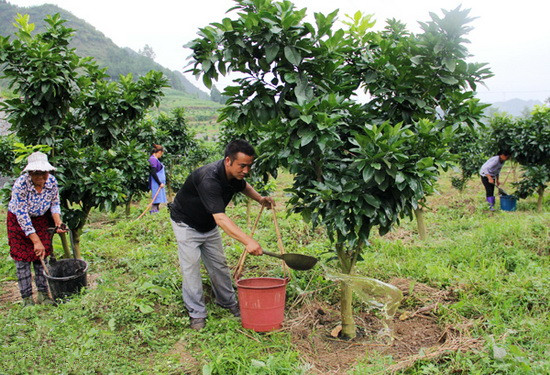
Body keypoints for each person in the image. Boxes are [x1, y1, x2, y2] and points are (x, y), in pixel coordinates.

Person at [169, 140, 274, 330]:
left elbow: (243, 186)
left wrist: (260, 199)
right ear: (228, 161)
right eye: (242, 165)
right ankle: (197, 313)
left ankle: (227, 302)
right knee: (191, 269)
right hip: (186, 224)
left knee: (219, 266)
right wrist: (248, 241)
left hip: (207, 225)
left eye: (249, 166)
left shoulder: (234, 175)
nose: (246, 170)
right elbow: (221, 219)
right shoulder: (208, 179)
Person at [6, 152, 68, 306]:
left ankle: (43, 294)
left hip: (41, 219)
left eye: (44, 173)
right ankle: (27, 298)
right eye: (36, 173)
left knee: (42, 257)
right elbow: (22, 215)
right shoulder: (21, 185)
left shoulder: (51, 182)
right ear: (30, 172)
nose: (40, 176)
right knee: (22, 261)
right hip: (19, 222)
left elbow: (54, 203)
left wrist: (58, 222)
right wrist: (35, 240)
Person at [148, 144, 167, 213]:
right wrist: (159, 183)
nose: (161, 156)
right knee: (156, 200)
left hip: (159, 183)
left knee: (158, 200)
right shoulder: (153, 160)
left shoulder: (155, 159)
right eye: (161, 154)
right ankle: (153, 214)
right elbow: (153, 172)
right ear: (159, 152)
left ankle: (156, 213)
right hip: (156, 183)